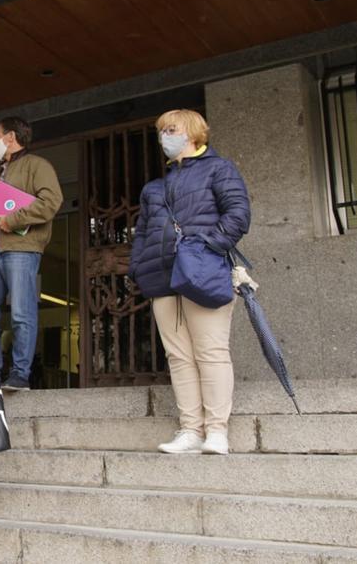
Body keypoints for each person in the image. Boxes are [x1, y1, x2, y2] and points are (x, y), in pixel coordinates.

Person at [129, 109, 250, 456]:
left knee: (210, 352)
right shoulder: (155, 187)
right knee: (179, 357)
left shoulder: (219, 168)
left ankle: (216, 431)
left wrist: (207, 247)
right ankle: (190, 430)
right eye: (161, 130)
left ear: (194, 132)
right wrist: (137, 266)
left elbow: (238, 214)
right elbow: (143, 233)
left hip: (203, 272)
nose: (165, 135)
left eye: (172, 129)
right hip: (161, 278)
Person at [0, 117, 63, 391]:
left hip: (21, 249)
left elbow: (52, 202)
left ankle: (19, 375)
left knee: (22, 312)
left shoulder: (38, 165)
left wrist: (13, 220)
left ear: (10, 137)